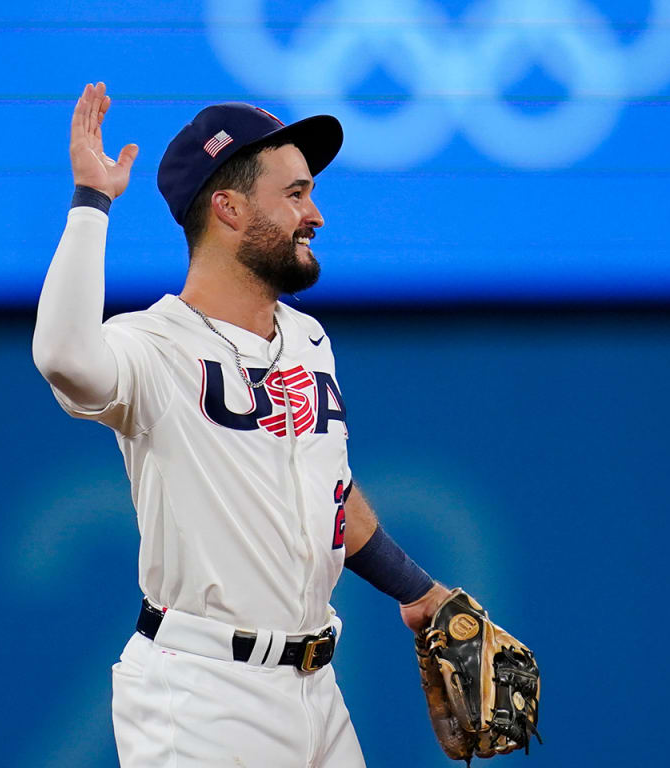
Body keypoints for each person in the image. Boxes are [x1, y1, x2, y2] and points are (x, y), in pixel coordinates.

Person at [32, 82, 451, 767]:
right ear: (227, 208)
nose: (314, 214)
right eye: (293, 194)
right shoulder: (153, 346)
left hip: (317, 689)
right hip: (202, 694)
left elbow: (332, 494)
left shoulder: (309, 338)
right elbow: (63, 355)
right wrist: (92, 203)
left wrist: (418, 592)